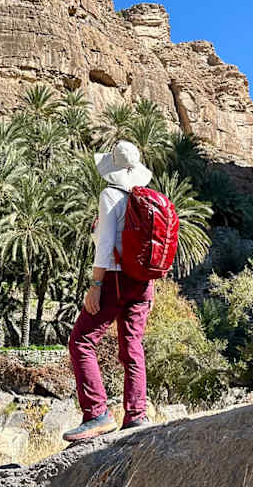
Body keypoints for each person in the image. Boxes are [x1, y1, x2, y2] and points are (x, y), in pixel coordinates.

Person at [63, 140, 154, 442]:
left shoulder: (110, 195)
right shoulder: (146, 199)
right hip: (143, 283)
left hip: (115, 279)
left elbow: (105, 246)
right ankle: (136, 415)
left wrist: (95, 285)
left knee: (81, 341)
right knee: (132, 346)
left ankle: (96, 414)